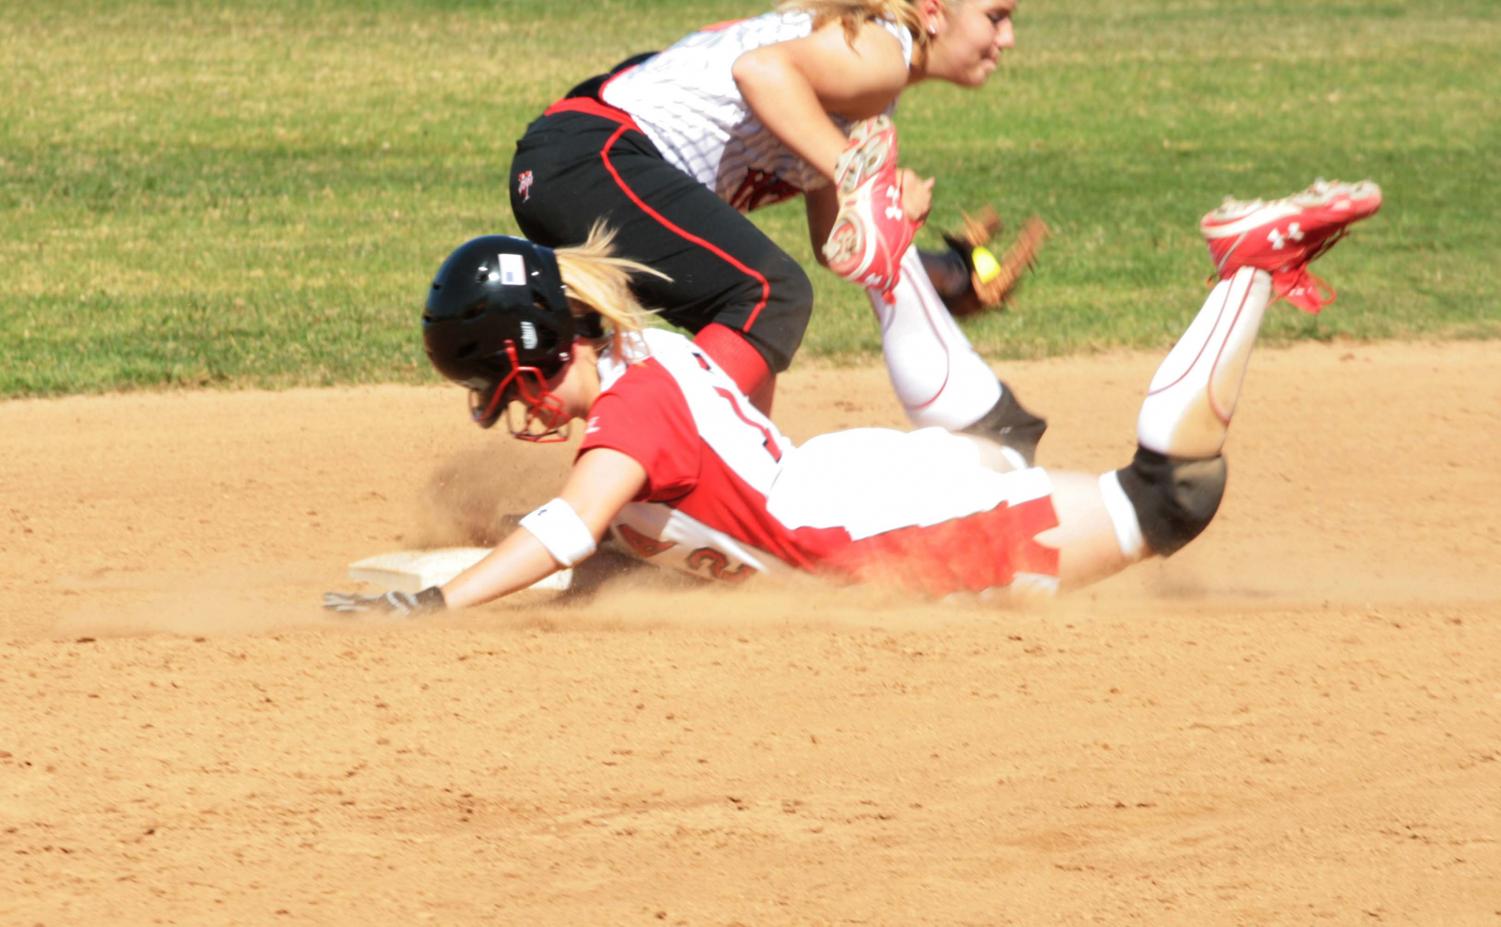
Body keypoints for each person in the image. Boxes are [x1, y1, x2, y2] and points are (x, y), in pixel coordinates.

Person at [323, 178, 1382, 616]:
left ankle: (1244, 266)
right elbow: (613, 540)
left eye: (511, 387)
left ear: (540, 350)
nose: (521, 415)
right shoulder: (652, 365)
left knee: (1169, 501)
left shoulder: (628, 424)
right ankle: (893, 275)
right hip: (858, 483)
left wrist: (436, 601)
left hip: (881, 535)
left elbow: (567, 530)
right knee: (1001, 441)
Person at [505, 0, 1051, 464]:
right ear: (933, 11)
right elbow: (760, 71)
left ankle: (719, 492)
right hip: (591, 158)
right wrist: (867, 183)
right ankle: (645, 469)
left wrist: (947, 275)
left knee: (749, 315)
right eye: (996, 15)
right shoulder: (882, 52)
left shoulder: (867, 89)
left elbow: (837, 243)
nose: (1009, 36)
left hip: (576, 163)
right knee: (768, 293)